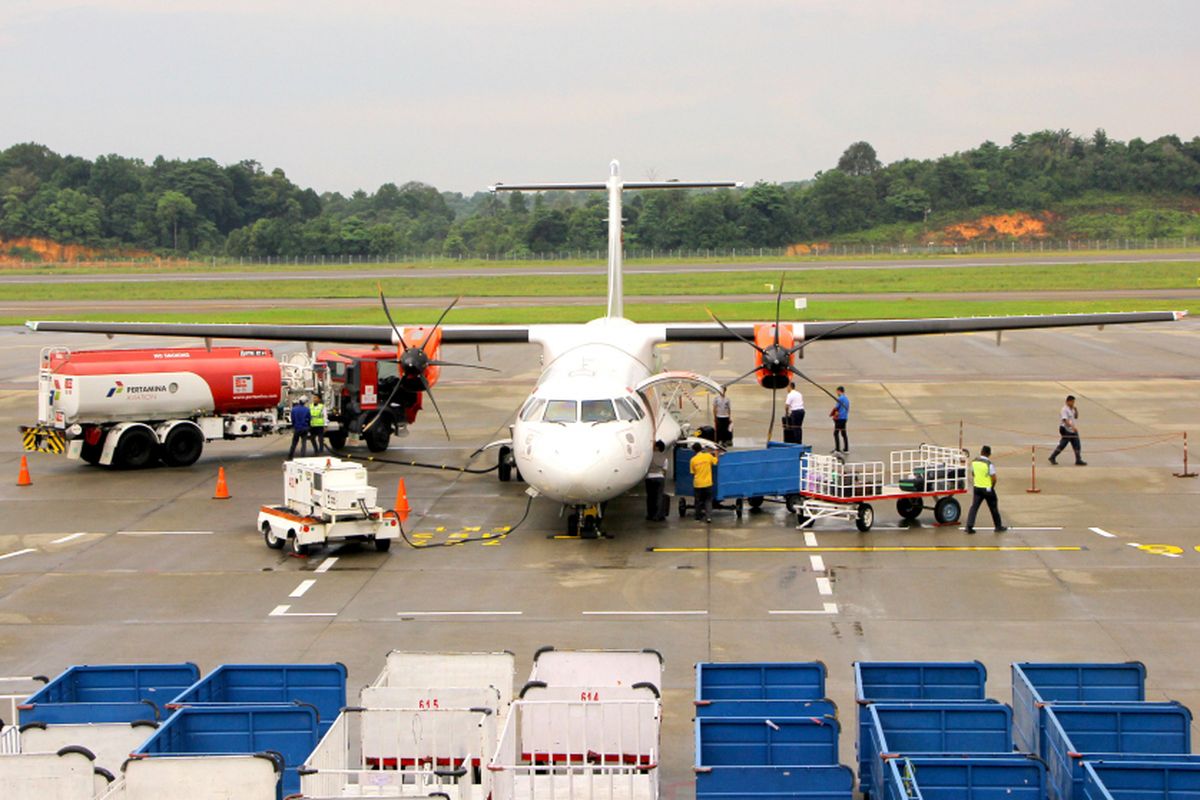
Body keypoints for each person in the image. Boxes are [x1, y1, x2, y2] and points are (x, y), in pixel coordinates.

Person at [964, 444, 1007, 534]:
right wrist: (991, 487)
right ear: (989, 454)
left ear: (981, 452)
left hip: (977, 487)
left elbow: (973, 473)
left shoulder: (974, 462)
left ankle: (969, 526)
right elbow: (994, 478)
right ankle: (998, 526)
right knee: (993, 507)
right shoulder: (989, 464)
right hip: (987, 488)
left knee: (974, 507)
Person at [1049, 395, 1086, 465]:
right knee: (1063, 445)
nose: (1073, 403)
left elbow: (1076, 417)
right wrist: (1073, 427)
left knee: (1077, 445)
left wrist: (1076, 410)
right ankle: (1052, 457)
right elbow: (1065, 420)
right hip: (1065, 429)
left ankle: (1078, 460)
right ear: (1068, 401)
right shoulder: (1064, 409)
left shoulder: (1071, 409)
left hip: (1072, 430)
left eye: (1074, 402)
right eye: (1072, 402)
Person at [689, 442, 719, 523]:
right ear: (701, 449)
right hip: (707, 483)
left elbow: (692, 472)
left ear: (694, 451)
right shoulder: (708, 456)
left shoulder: (693, 460)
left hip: (697, 483)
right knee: (708, 500)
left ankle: (697, 517)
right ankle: (708, 517)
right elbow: (715, 462)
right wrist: (716, 454)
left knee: (698, 501)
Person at [645, 440, 669, 521]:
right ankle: (658, 515)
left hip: (649, 477)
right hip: (659, 477)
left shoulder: (649, 457)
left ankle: (650, 514)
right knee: (659, 497)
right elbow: (664, 471)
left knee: (650, 497)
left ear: (656, 447)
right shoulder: (664, 458)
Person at [831, 386, 850, 453]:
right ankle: (846, 448)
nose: (837, 393)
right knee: (843, 433)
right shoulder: (846, 399)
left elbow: (836, 407)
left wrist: (832, 414)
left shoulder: (840, 398)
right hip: (844, 418)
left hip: (840, 418)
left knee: (836, 433)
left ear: (839, 391)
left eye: (837, 391)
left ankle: (837, 449)